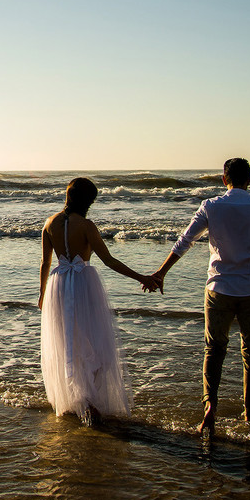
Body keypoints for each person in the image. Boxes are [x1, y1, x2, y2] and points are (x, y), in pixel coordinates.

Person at [149, 158, 250, 436]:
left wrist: (162, 271)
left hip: (218, 289)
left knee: (214, 350)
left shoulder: (211, 206)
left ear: (223, 179)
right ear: (249, 180)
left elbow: (185, 241)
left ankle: (209, 408)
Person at [39, 177, 158, 425]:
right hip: (83, 285)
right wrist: (141, 277)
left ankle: (79, 398)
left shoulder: (49, 223)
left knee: (68, 343)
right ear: (87, 201)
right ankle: (89, 401)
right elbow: (109, 260)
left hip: (57, 286)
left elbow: (45, 263)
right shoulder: (86, 225)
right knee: (94, 342)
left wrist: (42, 295)